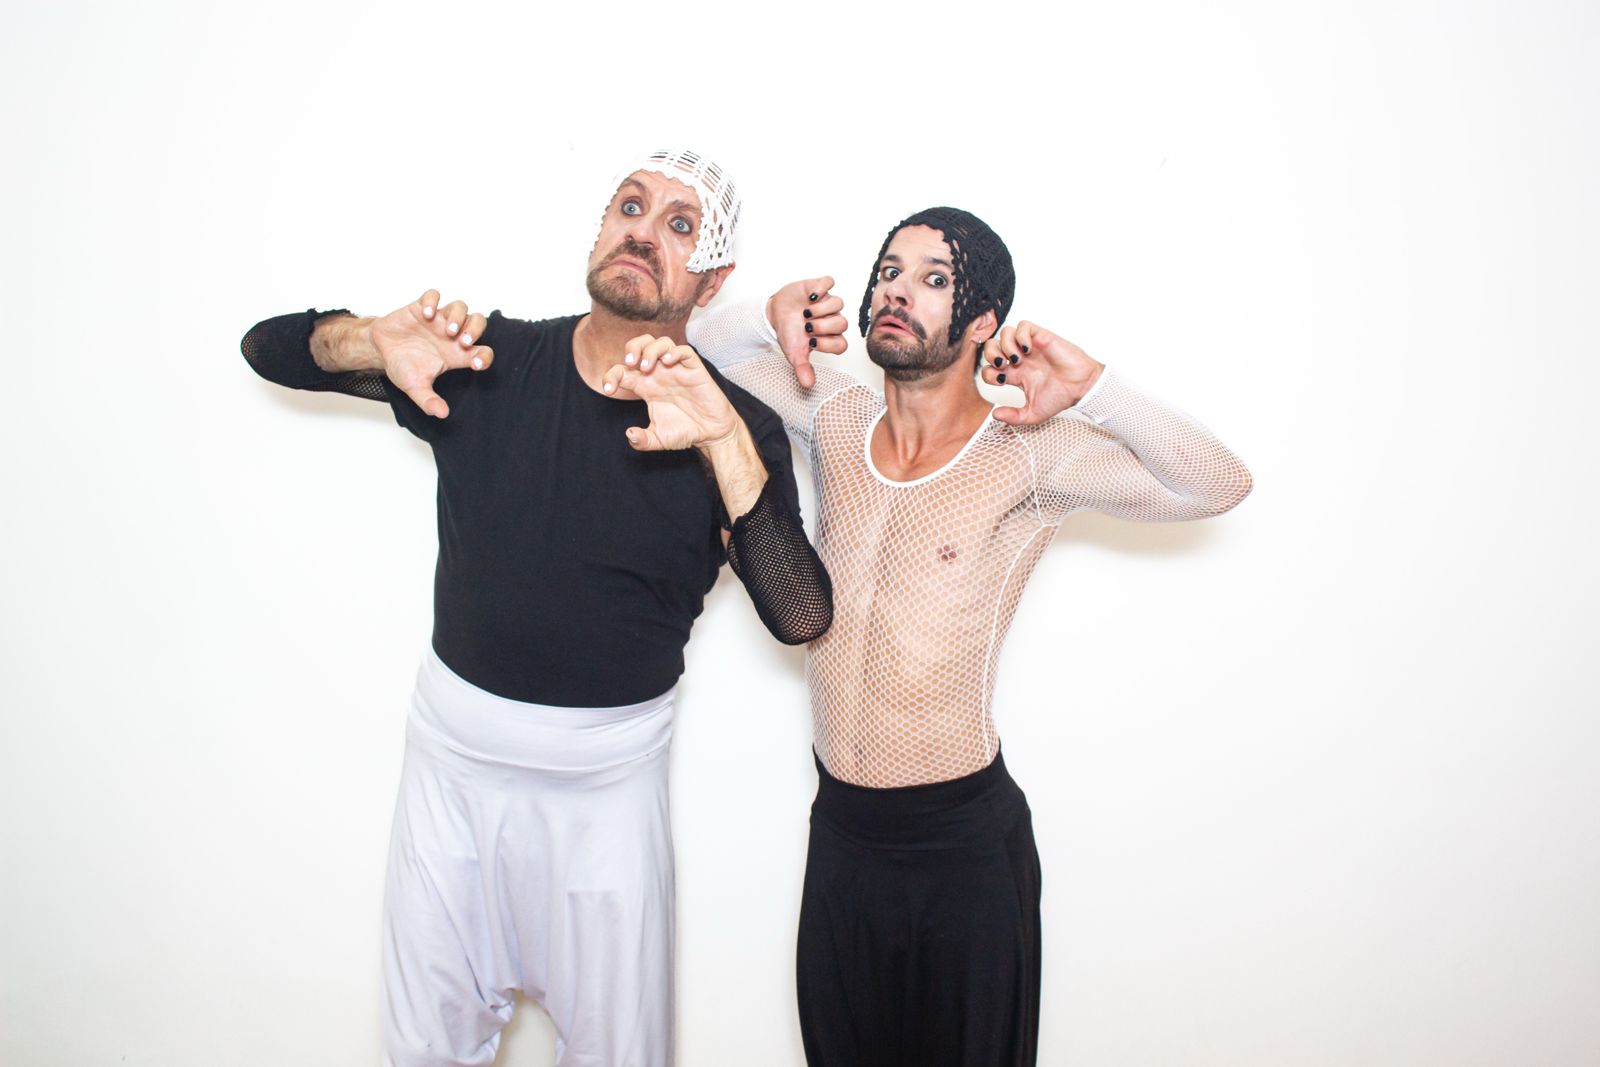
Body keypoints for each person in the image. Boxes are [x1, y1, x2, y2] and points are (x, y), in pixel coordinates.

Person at [239, 149, 831, 1067]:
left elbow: (800, 614)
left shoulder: (731, 423)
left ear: (712, 280)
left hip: (605, 806)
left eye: (680, 225)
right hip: (449, 784)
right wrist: (369, 338)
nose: (643, 230)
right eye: (629, 206)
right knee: (424, 1051)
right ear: (598, 232)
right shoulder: (488, 359)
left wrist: (721, 439)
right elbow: (268, 347)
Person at [634, 205, 1253, 1066]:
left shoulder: (1027, 451)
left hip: (963, 850)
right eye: (889, 271)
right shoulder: (836, 415)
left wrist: (1093, 388)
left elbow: (1217, 484)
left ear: (983, 321)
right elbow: (701, 348)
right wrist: (769, 315)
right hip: (843, 837)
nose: (898, 290)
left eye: (934, 279)